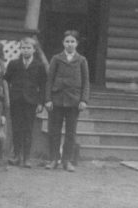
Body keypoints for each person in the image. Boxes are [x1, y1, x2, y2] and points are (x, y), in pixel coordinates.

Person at [44, 30, 89, 172]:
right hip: (57, 99)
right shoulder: (56, 58)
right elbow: (49, 80)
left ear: (77, 44)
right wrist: (48, 99)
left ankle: (67, 160)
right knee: (54, 131)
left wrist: (84, 100)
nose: (70, 44)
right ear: (63, 43)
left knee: (71, 132)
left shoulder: (82, 60)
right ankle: (53, 159)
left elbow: (86, 82)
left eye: (72, 42)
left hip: (74, 101)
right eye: (67, 41)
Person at [4, 37, 47, 167]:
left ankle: (27, 158)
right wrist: (8, 98)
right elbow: (6, 80)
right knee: (16, 128)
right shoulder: (13, 64)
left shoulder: (39, 66)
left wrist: (40, 102)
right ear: (20, 49)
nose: (26, 50)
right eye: (23, 48)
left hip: (31, 101)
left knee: (28, 129)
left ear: (34, 50)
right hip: (16, 100)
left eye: (29, 48)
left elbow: (43, 85)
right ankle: (16, 155)